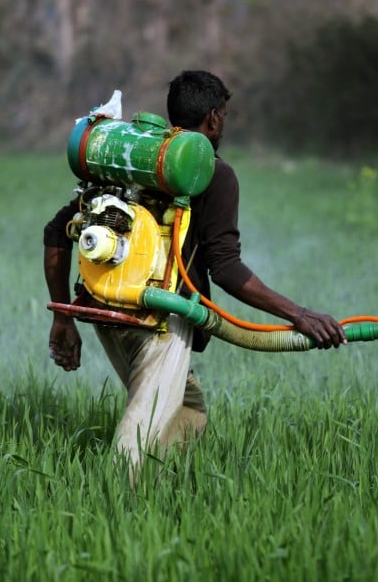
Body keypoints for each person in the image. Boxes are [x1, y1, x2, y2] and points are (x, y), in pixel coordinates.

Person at [43, 69, 346, 469]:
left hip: (107, 307)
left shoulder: (128, 159)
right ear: (215, 117)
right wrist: (299, 314)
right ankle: (105, 506)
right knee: (138, 440)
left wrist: (63, 316)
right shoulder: (213, 174)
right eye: (224, 115)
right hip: (162, 319)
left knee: (189, 412)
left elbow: (57, 233)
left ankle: (158, 500)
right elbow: (226, 268)